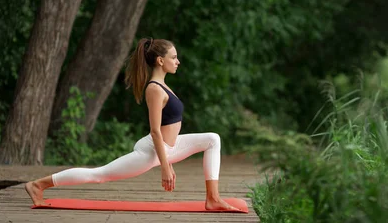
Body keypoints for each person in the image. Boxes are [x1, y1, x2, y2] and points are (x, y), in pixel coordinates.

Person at [25, 38, 239, 211]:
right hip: (152, 151)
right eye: (174, 57)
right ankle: (38, 184)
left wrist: (170, 159)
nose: (178, 61)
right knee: (99, 175)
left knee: (213, 139)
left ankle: (213, 198)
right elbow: (155, 131)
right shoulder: (154, 89)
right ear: (160, 61)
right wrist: (165, 166)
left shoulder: (164, 85)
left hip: (168, 148)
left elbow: (167, 127)